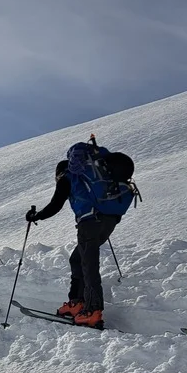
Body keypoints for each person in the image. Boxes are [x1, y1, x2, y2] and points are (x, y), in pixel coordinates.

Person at [25, 141, 137, 329]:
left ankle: (93, 310)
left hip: (89, 222)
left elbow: (55, 205)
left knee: (88, 264)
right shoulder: (95, 176)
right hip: (108, 221)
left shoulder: (68, 176)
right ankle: (77, 302)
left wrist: (36, 216)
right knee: (77, 259)